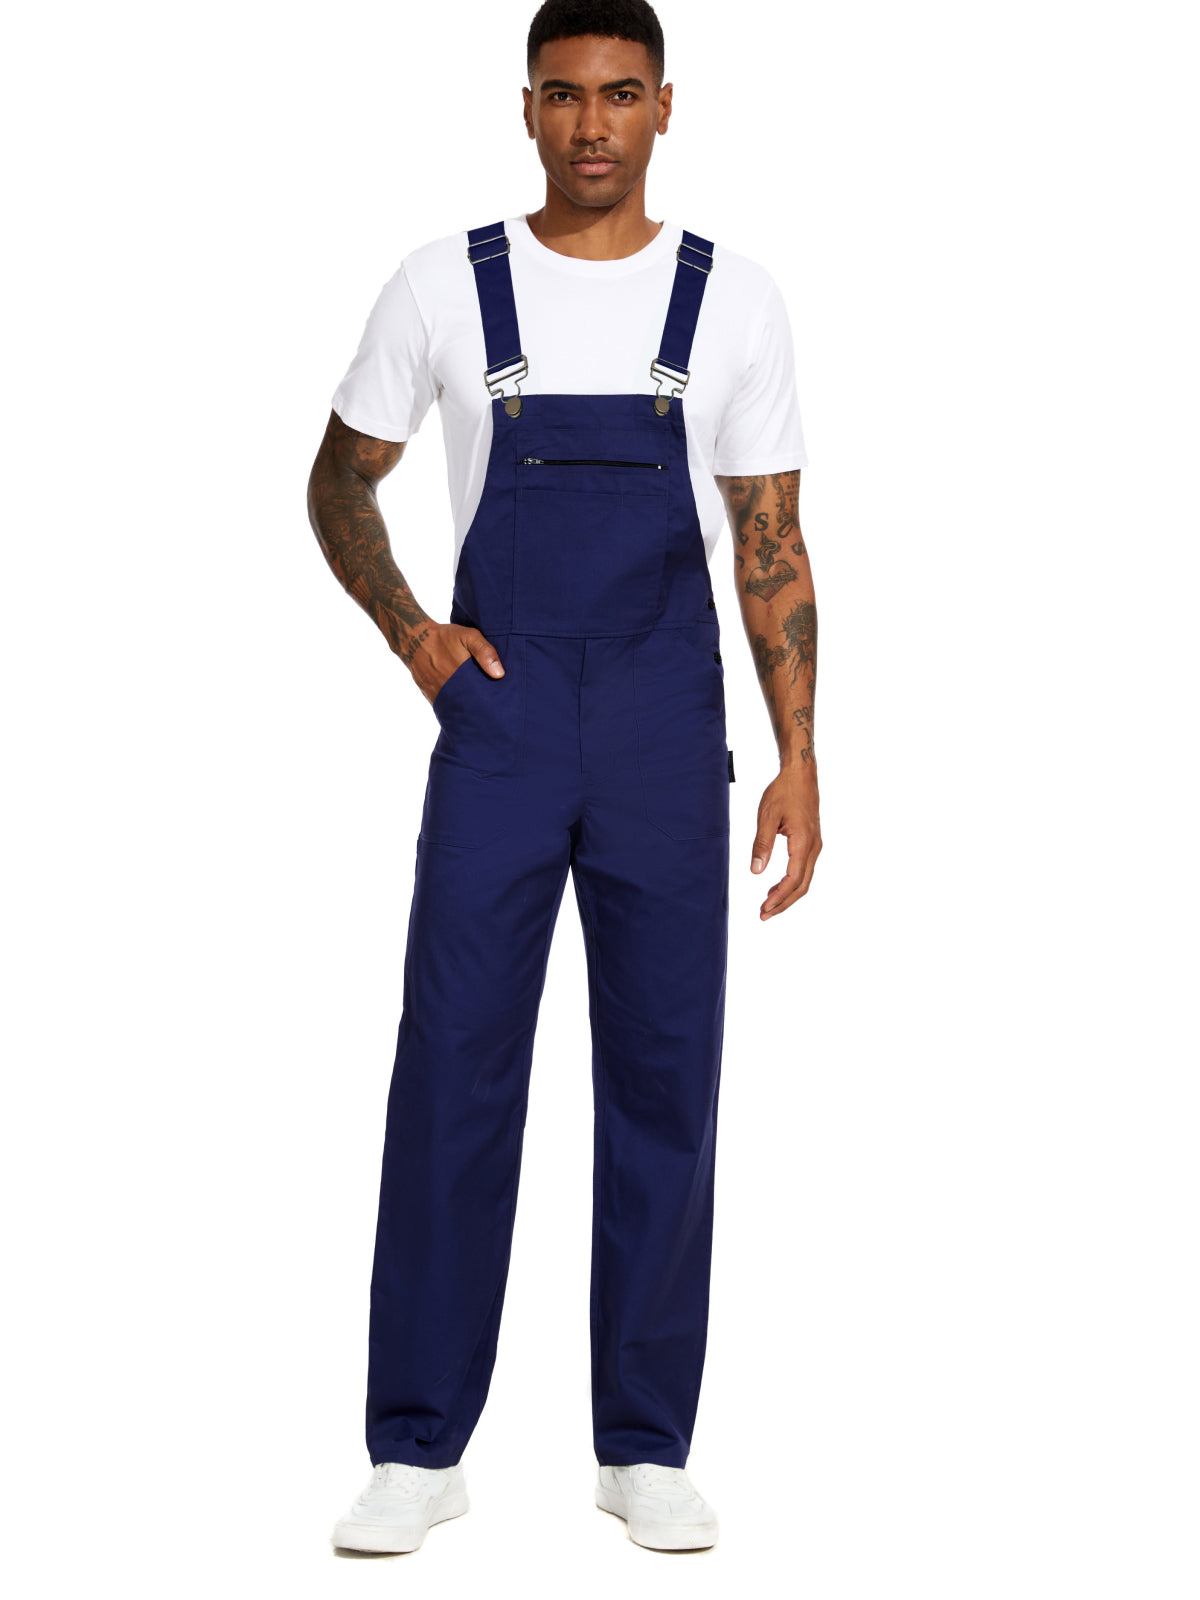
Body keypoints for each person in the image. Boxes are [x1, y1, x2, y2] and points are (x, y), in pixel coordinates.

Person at [306, 0, 821, 1556]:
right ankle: (417, 1447)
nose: (591, 123)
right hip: (504, 721)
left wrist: (800, 756)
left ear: (665, 105)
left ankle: (643, 1445)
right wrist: (414, 636)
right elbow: (339, 479)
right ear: (526, 108)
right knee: (453, 1064)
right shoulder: (442, 285)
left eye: (619, 94)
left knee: (666, 1073)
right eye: (562, 95)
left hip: (666, 728)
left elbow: (773, 541)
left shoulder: (732, 300)